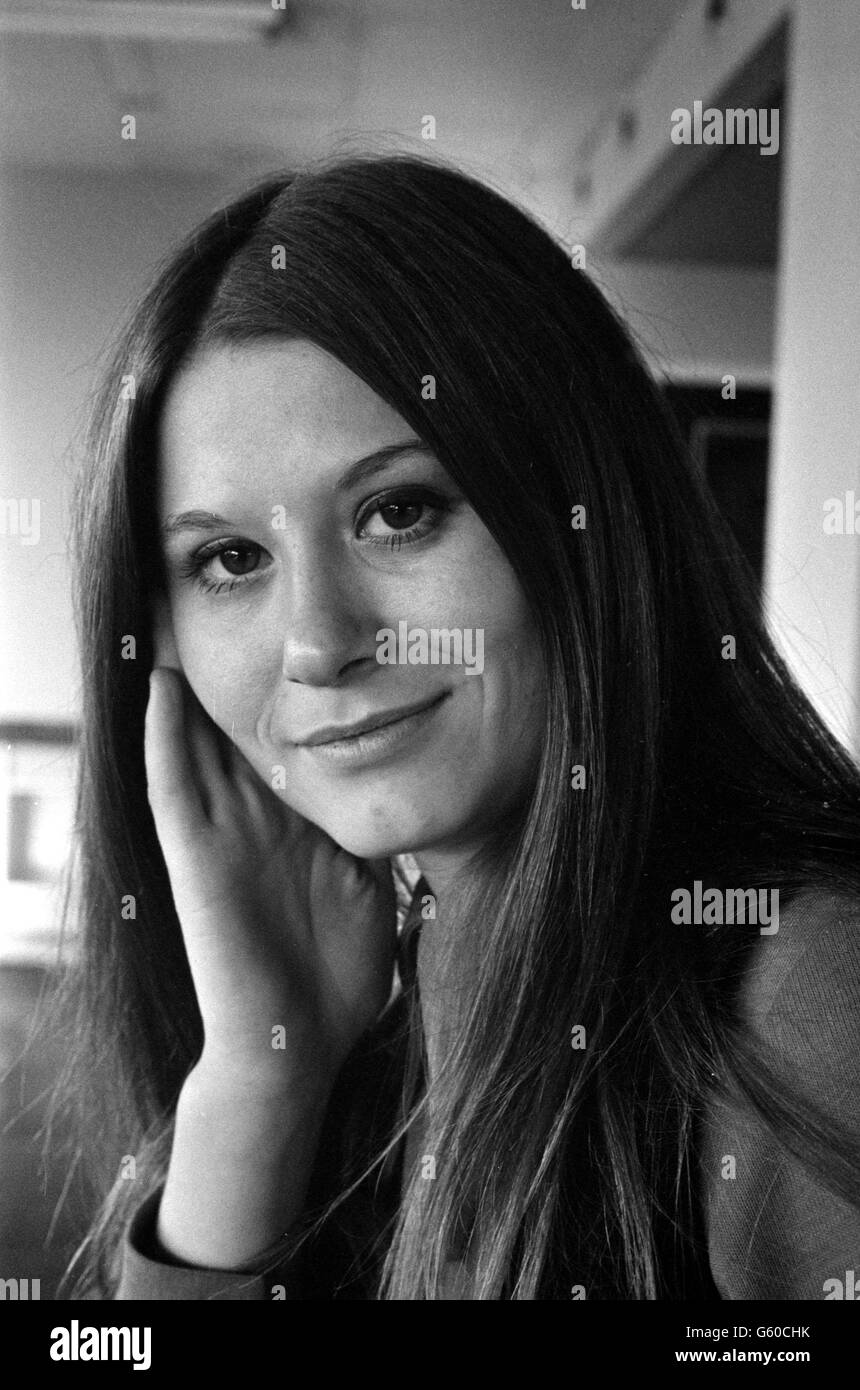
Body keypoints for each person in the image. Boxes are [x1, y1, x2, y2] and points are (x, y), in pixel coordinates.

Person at [52, 153, 860, 1300]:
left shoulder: (806, 992)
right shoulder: (390, 1022)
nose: (317, 644)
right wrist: (259, 1076)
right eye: (230, 559)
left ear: (581, 513)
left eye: (398, 510)